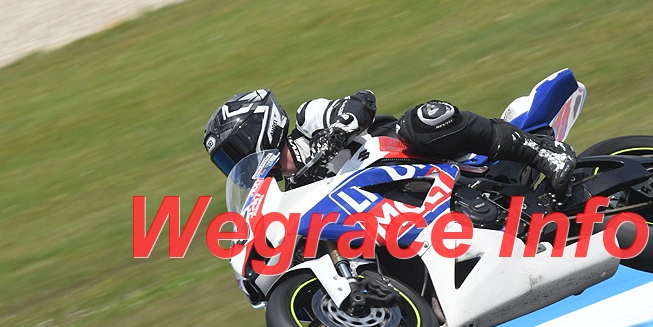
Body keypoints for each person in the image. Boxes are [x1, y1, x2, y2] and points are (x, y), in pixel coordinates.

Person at [203, 88, 576, 196]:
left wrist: (339, 130)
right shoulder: (293, 195)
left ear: (259, 127)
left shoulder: (309, 119)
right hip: (404, 206)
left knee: (423, 120)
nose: (236, 165)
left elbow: (361, 100)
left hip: (416, 157)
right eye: (228, 161)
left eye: (235, 152)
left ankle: (542, 151)